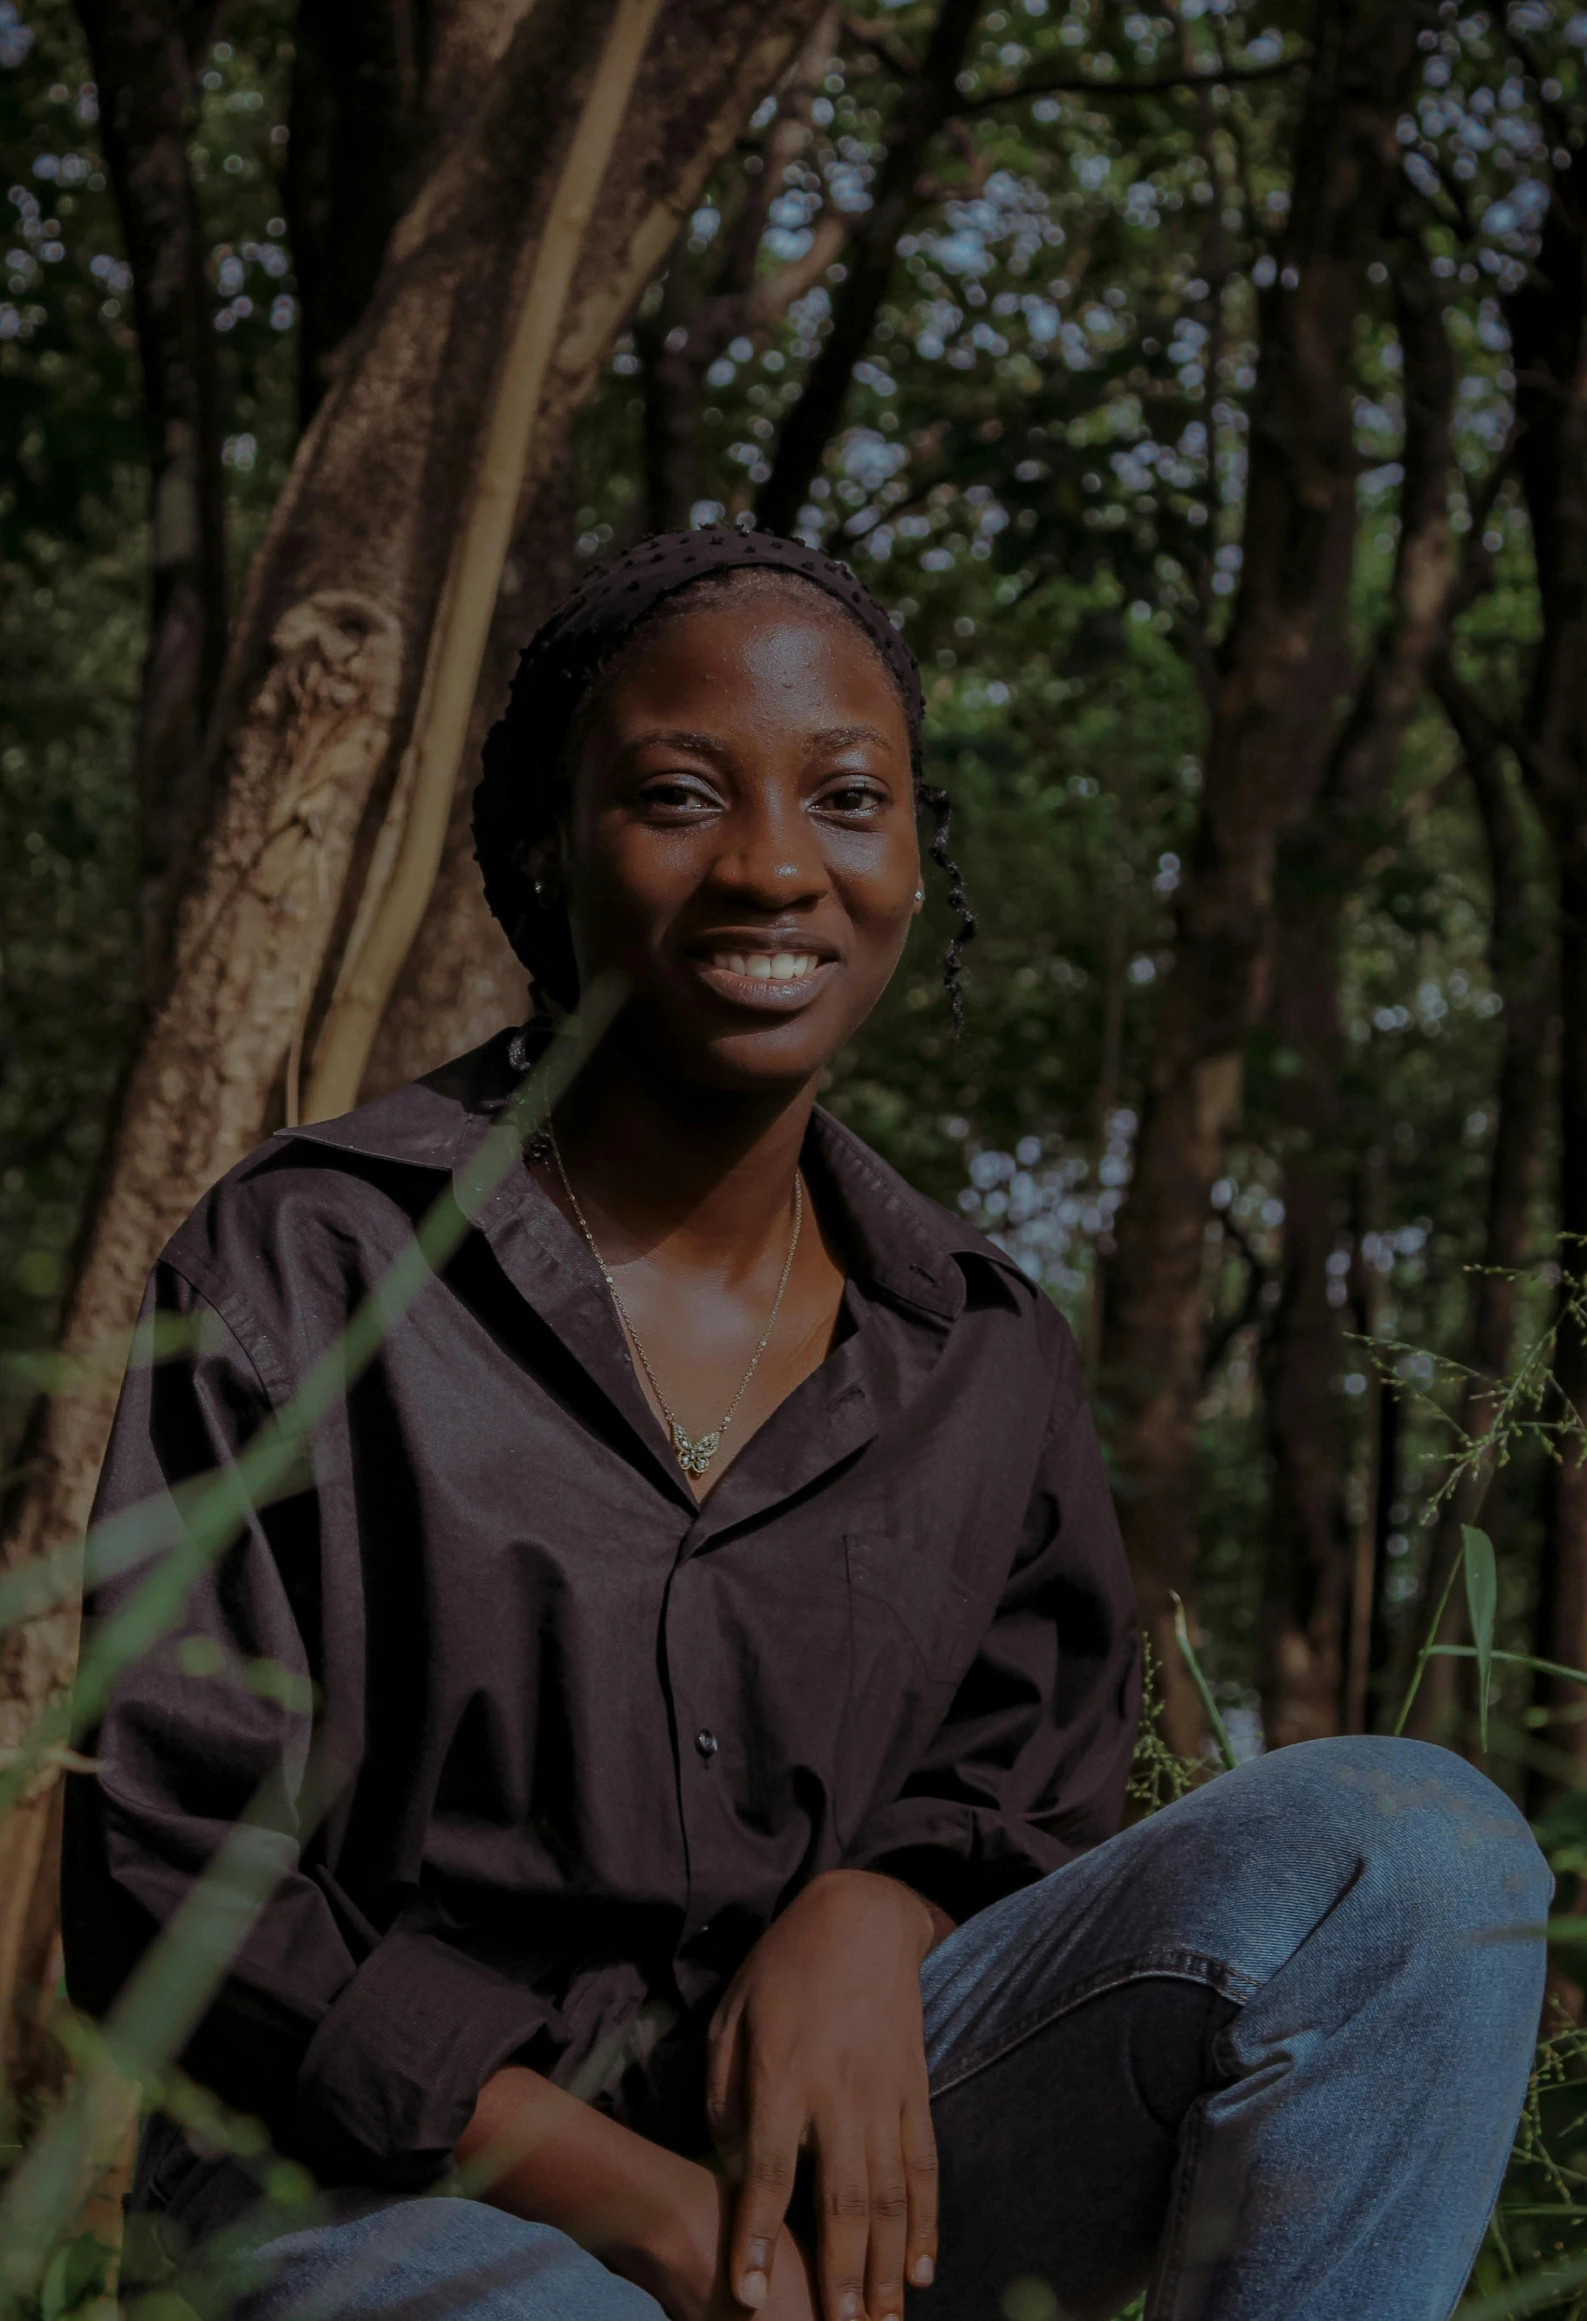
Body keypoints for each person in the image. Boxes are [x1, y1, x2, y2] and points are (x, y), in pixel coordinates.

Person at [66, 525, 1549, 2321]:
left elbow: (1017, 1802)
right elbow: (173, 1873)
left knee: (1417, 1852)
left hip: (852, 2161)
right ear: (547, 849)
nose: (774, 866)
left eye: (848, 799)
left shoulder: (982, 1348)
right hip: (382, 2184)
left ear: (915, 859)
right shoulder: (305, 1264)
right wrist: (657, 2218)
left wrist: (880, 1909)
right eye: (678, 795)